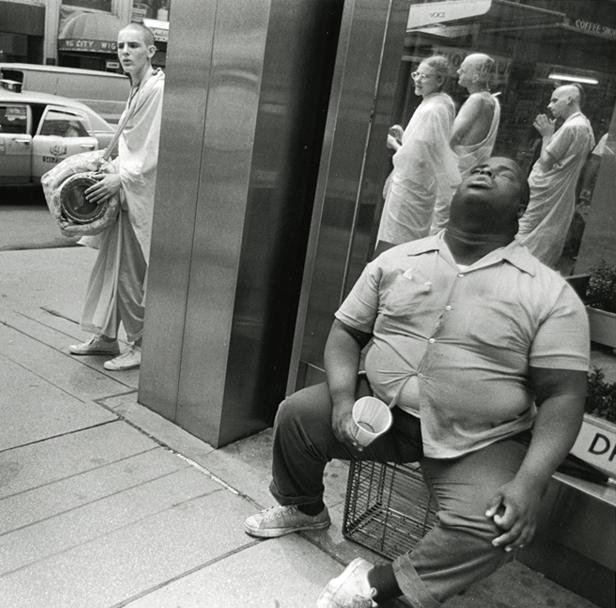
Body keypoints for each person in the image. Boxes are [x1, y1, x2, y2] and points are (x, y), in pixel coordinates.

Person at [243, 157, 589, 608]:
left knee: (496, 526)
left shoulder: (549, 293)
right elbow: (347, 333)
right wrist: (344, 401)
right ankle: (305, 508)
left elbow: (564, 394)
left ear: (521, 204)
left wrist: (530, 481)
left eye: (502, 173)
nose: (484, 172)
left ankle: (380, 586)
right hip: (379, 411)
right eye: (477, 168)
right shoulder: (397, 259)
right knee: (296, 416)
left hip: (479, 440)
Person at [67, 23, 165, 371]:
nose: (125, 51)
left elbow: (153, 151)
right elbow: (131, 144)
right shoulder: (137, 89)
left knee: (130, 275)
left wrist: (119, 179)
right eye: (121, 45)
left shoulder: (157, 90)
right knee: (110, 268)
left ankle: (140, 344)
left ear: (150, 52)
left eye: (133, 45)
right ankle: (106, 337)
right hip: (125, 192)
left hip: (138, 196)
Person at [377, 56, 459, 254]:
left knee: (397, 242)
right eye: (416, 74)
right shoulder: (438, 104)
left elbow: (418, 156)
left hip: (411, 186)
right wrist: (406, 136)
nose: (418, 80)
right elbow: (428, 145)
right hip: (419, 184)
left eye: (424, 76)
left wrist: (395, 145)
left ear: (439, 80)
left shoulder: (434, 109)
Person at [517, 84, 595, 268]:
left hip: (547, 191)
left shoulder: (572, 127)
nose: (550, 105)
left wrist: (546, 135)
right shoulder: (584, 125)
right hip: (556, 190)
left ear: (570, 100)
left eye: (554, 100)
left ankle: (520, 267)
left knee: (526, 231)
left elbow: (545, 162)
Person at [431, 53, 500, 233]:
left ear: (476, 76)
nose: (459, 71)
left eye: (464, 68)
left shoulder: (477, 99)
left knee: (439, 225)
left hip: (456, 173)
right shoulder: (493, 101)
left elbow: (452, 138)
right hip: (469, 172)